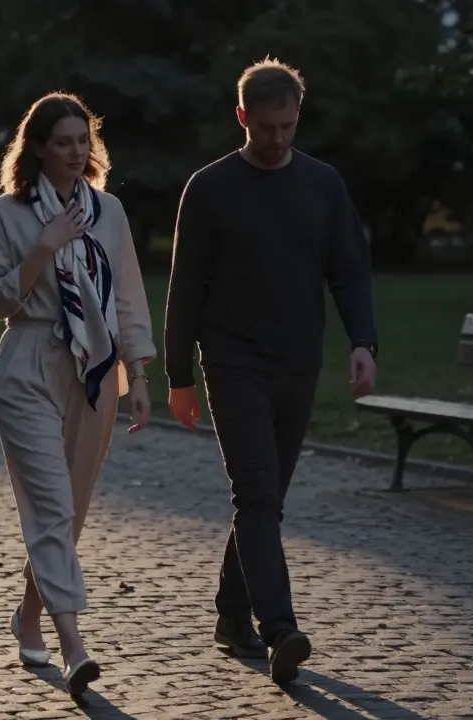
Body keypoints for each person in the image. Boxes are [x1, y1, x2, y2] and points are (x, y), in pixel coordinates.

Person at [163, 59, 379, 684]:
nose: (278, 138)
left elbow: (349, 270)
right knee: (256, 494)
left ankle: (231, 616)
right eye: (266, 127)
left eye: (288, 126)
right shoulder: (209, 189)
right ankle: (279, 629)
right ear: (241, 119)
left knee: (267, 498)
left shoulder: (323, 185)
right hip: (232, 361)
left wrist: (363, 341)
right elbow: (183, 290)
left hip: (297, 361)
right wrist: (179, 376)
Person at [0, 92, 156, 699]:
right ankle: (73, 644)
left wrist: (138, 376)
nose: (76, 152)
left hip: (95, 371)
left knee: (68, 512)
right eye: (63, 142)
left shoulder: (110, 212)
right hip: (28, 363)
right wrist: (44, 245)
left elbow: (128, 297)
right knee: (51, 507)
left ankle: (27, 616)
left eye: (83, 141)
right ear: (38, 149)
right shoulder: (8, 213)